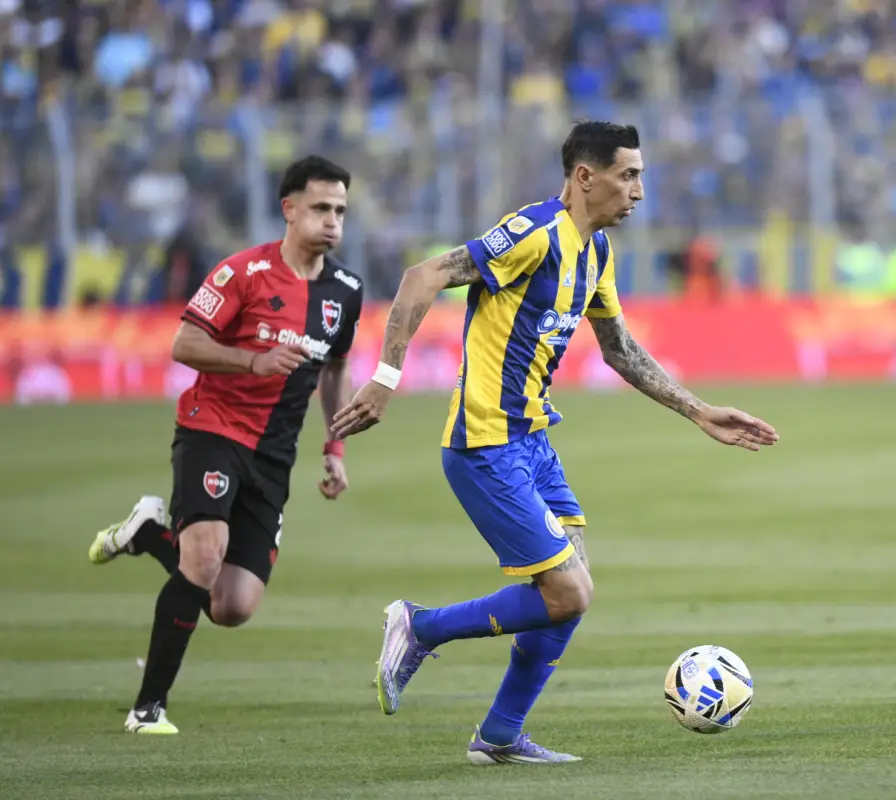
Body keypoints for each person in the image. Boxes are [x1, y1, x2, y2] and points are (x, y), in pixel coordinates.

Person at [331, 121, 778, 764]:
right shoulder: (533, 234)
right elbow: (422, 276)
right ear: (584, 177)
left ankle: (500, 736)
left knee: (566, 598)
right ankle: (419, 626)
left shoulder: (596, 253)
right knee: (568, 591)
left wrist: (698, 410)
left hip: (534, 440)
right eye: (629, 175)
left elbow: (619, 349)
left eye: (641, 175)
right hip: (484, 441)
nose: (640, 192)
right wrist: (385, 378)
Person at [87, 155, 365, 735]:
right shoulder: (242, 273)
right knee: (205, 558)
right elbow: (185, 343)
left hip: (274, 454)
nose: (332, 220)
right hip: (212, 428)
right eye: (320, 208)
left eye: (340, 210)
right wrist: (253, 360)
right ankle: (147, 709)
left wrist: (335, 449)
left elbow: (335, 371)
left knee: (231, 606)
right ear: (289, 210)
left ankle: (146, 532)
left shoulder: (346, 290)